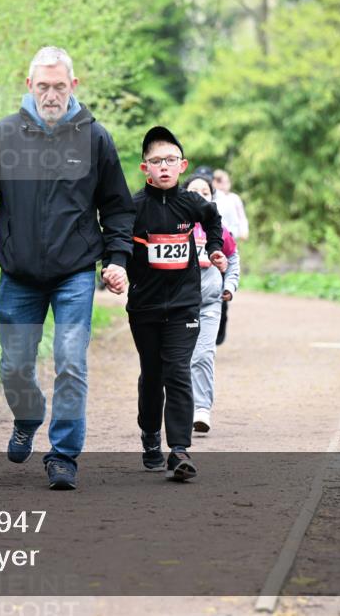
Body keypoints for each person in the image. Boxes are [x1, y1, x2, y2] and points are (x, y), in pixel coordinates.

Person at [0, 46, 135, 490]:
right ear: (29, 85)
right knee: (14, 367)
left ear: (73, 86)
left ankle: (64, 455)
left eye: (59, 86)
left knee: (71, 362)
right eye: (43, 86)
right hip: (19, 275)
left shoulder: (95, 138)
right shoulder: (4, 136)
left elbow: (117, 209)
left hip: (75, 273)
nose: (51, 94)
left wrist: (116, 260)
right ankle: (28, 414)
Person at [126, 126, 226, 481]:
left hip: (185, 305)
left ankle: (179, 449)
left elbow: (214, 219)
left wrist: (214, 248)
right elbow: (118, 242)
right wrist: (117, 270)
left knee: (178, 371)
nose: (164, 167)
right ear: (145, 168)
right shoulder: (133, 206)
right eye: (156, 161)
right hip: (144, 307)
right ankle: (150, 436)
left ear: (182, 165)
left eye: (170, 160)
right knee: (152, 375)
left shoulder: (192, 203)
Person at [184, 174, 241, 434]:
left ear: (212, 198)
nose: (199, 196)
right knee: (179, 360)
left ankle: (202, 409)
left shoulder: (218, 229)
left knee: (204, 354)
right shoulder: (174, 226)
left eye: (204, 193)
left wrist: (229, 285)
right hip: (177, 307)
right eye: (193, 191)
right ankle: (179, 408)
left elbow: (233, 258)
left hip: (209, 305)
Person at [211, 169, 248, 346]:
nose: (221, 184)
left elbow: (239, 219)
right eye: (218, 181)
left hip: (225, 244)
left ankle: (217, 331)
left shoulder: (231, 200)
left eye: (223, 180)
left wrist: (240, 233)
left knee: (221, 287)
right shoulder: (205, 199)